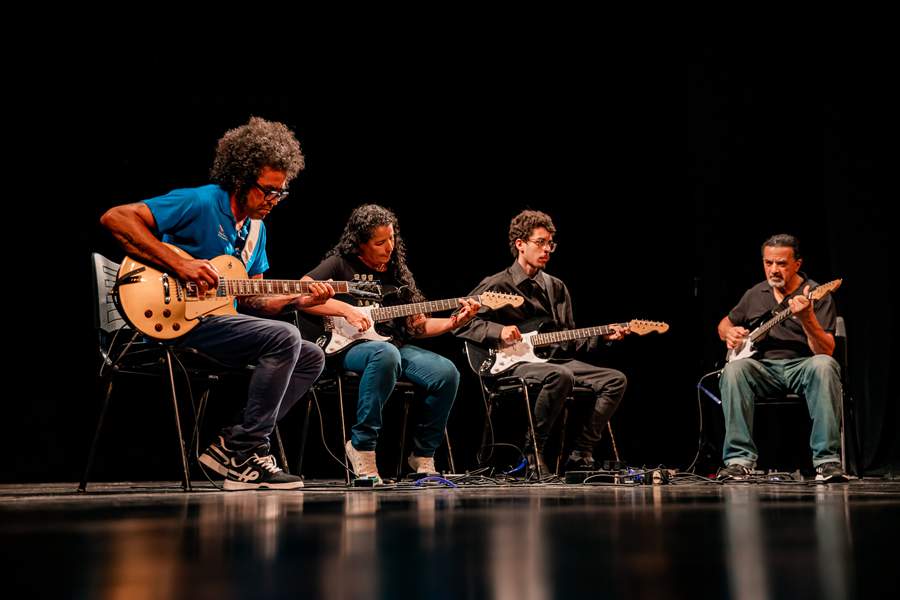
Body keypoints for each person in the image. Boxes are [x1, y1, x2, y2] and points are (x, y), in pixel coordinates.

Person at [100, 117, 334, 490]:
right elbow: (116, 218)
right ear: (240, 178)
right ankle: (246, 451)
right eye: (267, 191)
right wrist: (180, 263)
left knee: (311, 355)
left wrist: (300, 298)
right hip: (173, 320)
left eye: (280, 193)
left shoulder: (257, 230)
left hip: (219, 326)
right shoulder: (200, 201)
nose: (273, 201)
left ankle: (233, 444)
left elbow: (255, 303)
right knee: (285, 338)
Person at [302, 204, 480, 484]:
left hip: (390, 345)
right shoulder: (339, 264)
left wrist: (452, 323)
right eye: (380, 242)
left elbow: (416, 326)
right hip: (346, 347)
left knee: (446, 372)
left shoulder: (397, 272)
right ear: (360, 243)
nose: (389, 247)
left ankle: (422, 456)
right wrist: (346, 310)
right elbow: (302, 294)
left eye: (392, 238)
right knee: (385, 355)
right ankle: (362, 445)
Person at [454, 209, 629, 476]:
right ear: (520, 244)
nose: (547, 249)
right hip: (508, 364)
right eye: (540, 242)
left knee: (614, 380)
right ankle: (533, 451)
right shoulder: (497, 284)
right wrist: (498, 331)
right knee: (560, 375)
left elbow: (567, 340)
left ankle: (581, 453)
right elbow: (462, 322)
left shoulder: (556, 287)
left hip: (550, 361)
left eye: (550, 243)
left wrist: (601, 337)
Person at [717, 233, 846, 482]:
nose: (773, 269)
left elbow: (826, 350)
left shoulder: (817, 294)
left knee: (825, 365)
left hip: (803, 365)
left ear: (797, 264)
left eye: (781, 263)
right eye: (768, 263)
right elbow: (724, 324)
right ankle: (738, 461)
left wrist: (807, 317)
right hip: (763, 368)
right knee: (733, 371)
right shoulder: (755, 294)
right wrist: (729, 333)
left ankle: (827, 461)